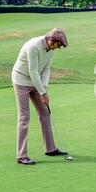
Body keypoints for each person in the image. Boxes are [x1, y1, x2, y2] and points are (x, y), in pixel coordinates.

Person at [12, 28, 69, 165]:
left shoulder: (51, 49)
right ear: (51, 40)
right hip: (21, 81)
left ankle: (50, 148)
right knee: (24, 116)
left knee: (45, 113)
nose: (58, 48)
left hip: (36, 82)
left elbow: (46, 69)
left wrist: (45, 88)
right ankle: (21, 156)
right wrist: (42, 93)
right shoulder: (34, 46)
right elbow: (33, 71)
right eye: (58, 45)